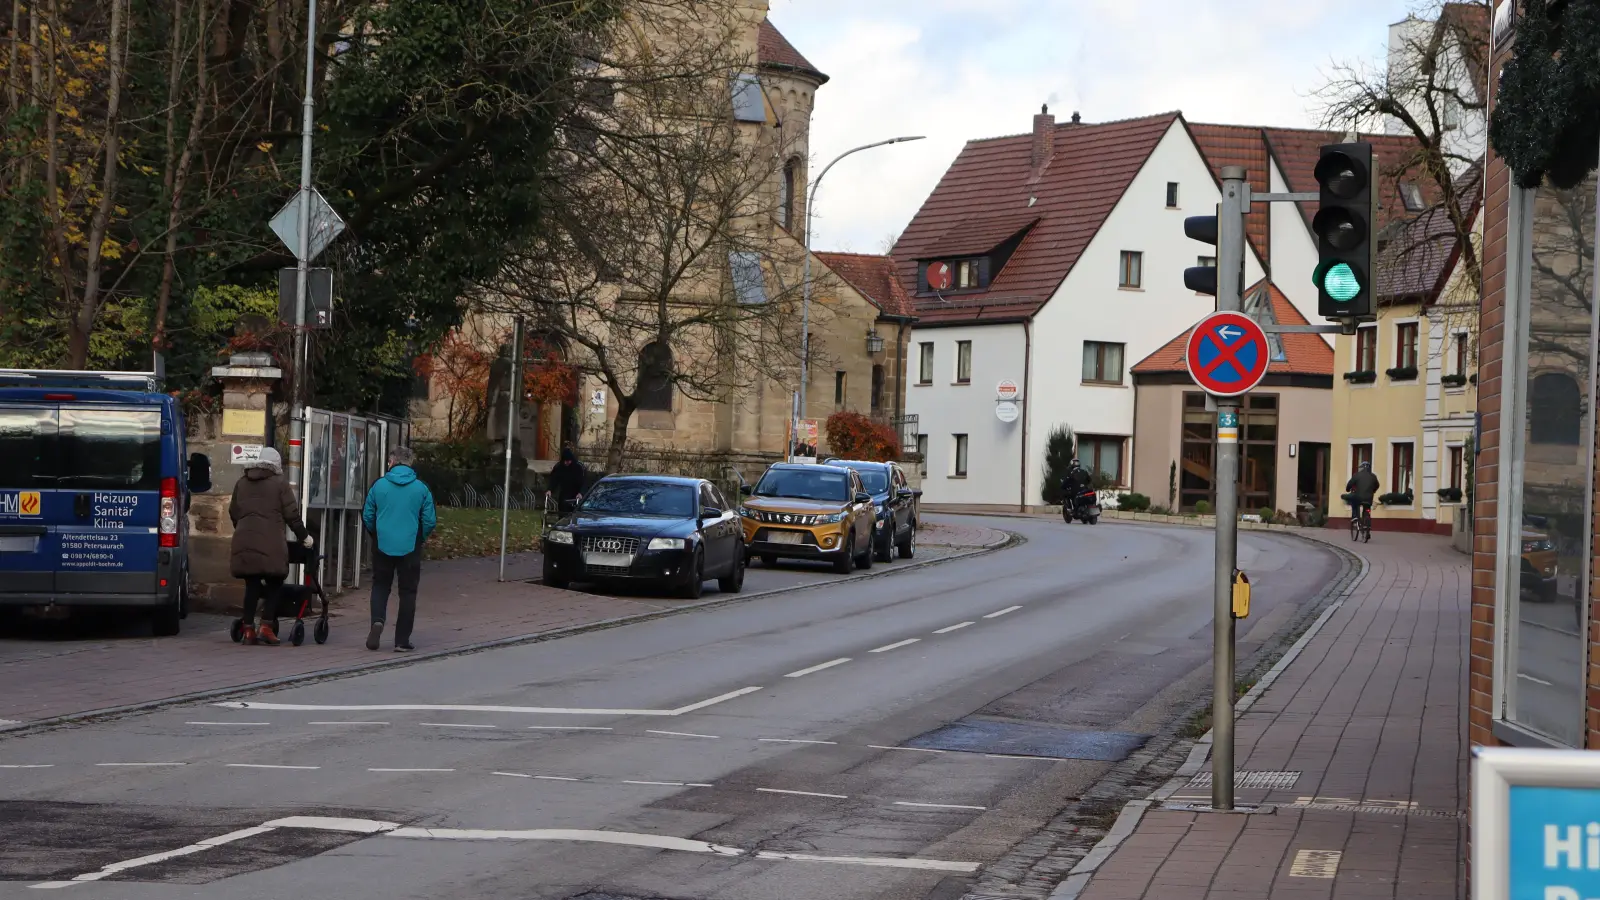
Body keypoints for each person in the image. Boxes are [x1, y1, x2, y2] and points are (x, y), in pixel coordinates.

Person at [228, 446, 311, 646]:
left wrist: (243, 528)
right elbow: (292, 515)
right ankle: (266, 627)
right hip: (271, 542)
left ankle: (248, 629)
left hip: (244, 540)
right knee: (275, 581)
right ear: (276, 465)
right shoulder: (279, 484)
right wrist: (305, 537)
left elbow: (233, 511)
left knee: (252, 584)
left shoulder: (241, 483)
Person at [362, 446, 437, 652]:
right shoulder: (421, 489)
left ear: (392, 462)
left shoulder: (379, 486)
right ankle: (401, 640)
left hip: (382, 545)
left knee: (380, 586)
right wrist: (419, 538)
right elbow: (429, 520)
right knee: (408, 592)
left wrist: (376, 535)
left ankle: (377, 621)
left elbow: (368, 515)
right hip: (410, 547)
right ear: (410, 463)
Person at [546, 445, 587, 515]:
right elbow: (554, 479)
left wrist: (581, 493)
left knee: (573, 513)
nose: (566, 463)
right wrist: (550, 489)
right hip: (564, 494)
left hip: (575, 495)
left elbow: (584, 482)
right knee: (562, 512)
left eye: (568, 461)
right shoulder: (559, 467)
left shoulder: (578, 468)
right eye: (565, 461)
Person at [1346, 461, 1380, 529]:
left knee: (1354, 502)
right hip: (1369, 498)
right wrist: (1373, 491)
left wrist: (1348, 489)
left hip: (1358, 497)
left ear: (1361, 468)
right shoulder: (1373, 476)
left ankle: (1355, 517)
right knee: (1367, 508)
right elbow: (1377, 485)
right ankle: (1367, 524)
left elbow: (1350, 484)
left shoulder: (1357, 475)